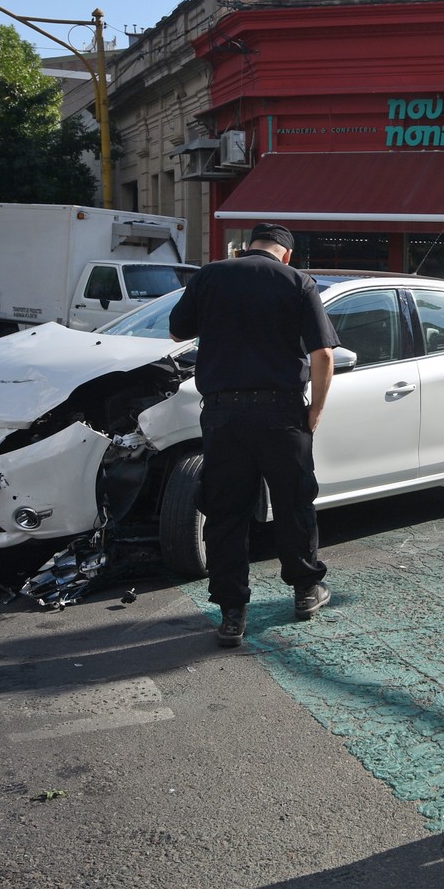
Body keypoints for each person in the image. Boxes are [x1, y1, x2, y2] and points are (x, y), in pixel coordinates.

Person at [169, 223, 341, 648]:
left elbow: (177, 331)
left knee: (226, 512)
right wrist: (315, 408)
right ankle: (305, 591)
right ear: (285, 254)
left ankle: (231, 614)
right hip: (281, 413)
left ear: (248, 247)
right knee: (294, 504)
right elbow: (323, 354)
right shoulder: (298, 281)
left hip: (224, 415)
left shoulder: (211, 275)